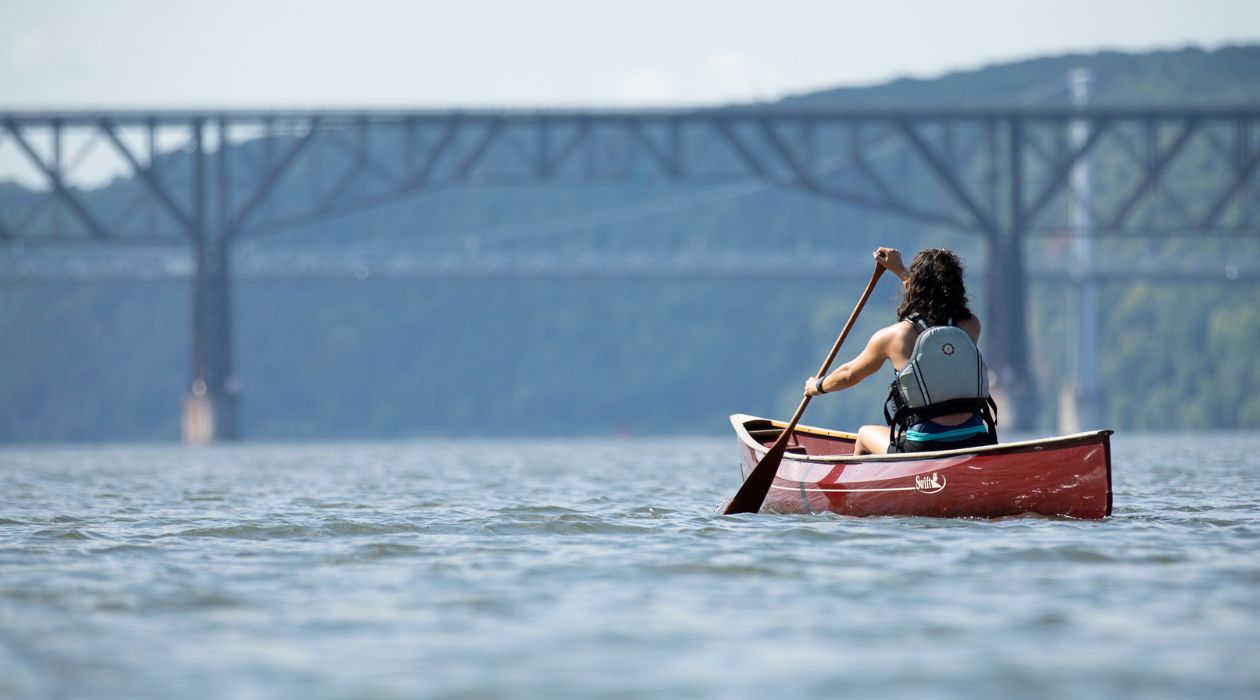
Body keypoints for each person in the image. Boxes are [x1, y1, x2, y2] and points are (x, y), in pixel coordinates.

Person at [803, 247, 998, 455]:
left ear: (917, 285)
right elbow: (937, 312)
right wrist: (900, 271)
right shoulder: (971, 326)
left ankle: (868, 486)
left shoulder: (894, 336)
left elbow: (849, 374)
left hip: (924, 445)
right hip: (976, 438)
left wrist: (817, 386)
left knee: (864, 434)